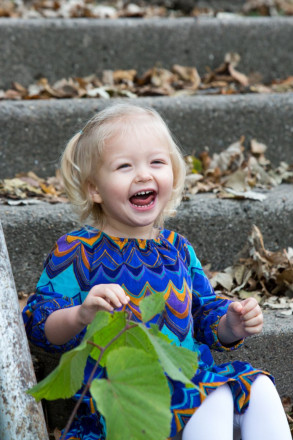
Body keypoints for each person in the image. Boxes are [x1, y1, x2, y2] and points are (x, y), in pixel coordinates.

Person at [22, 103, 291, 440]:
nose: (144, 175)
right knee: (217, 396)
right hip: (126, 401)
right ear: (94, 188)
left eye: (157, 162)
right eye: (124, 166)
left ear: (173, 175)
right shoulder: (76, 249)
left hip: (189, 385)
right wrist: (80, 314)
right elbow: (37, 324)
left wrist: (230, 324)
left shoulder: (178, 247)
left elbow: (203, 314)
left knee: (261, 388)